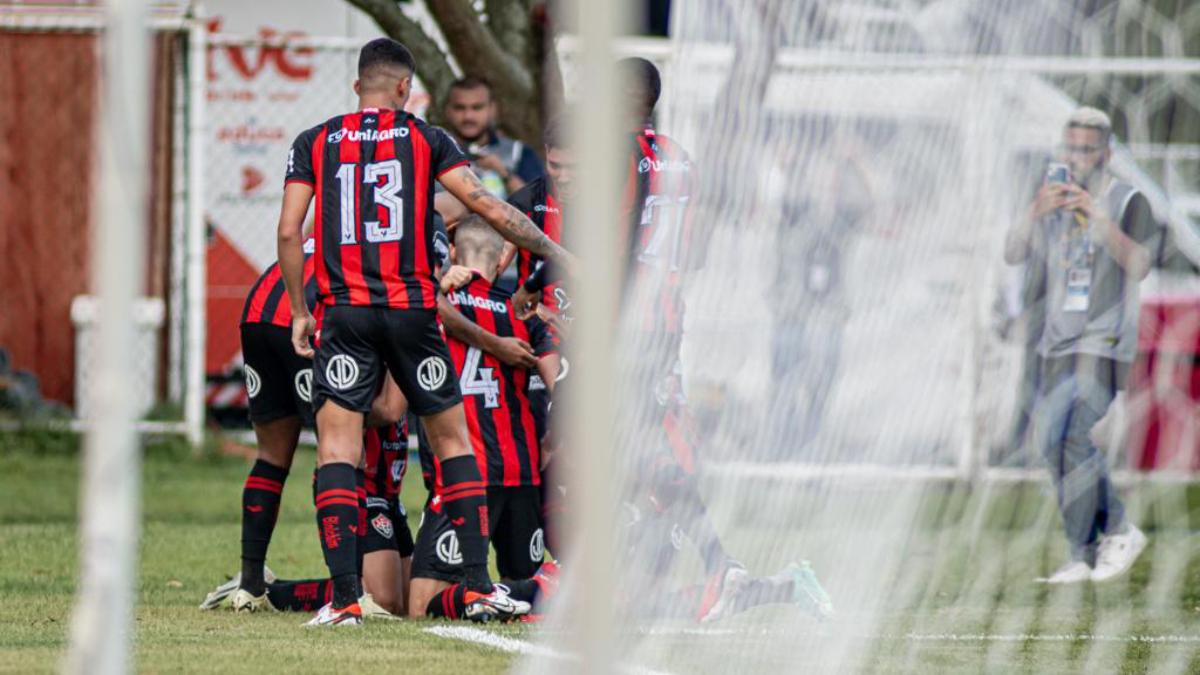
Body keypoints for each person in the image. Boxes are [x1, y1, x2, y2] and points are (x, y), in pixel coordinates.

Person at [276, 38, 574, 626]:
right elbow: (489, 207)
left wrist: (300, 310)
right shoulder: (426, 139)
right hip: (414, 310)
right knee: (453, 443)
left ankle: (343, 600)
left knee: (337, 449)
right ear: (407, 90)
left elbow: (290, 232)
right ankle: (479, 584)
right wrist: (560, 252)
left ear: (357, 86)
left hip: (346, 314)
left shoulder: (315, 140)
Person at [1004, 107, 1161, 584]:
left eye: (1087, 149)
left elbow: (1140, 266)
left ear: (1107, 154)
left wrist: (1099, 222)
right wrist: (1035, 212)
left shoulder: (1129, 199)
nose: (1077, 157)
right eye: (1071, 148)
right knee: (1052, 441)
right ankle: (1084, 552)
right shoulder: (1049, 199)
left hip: (1105, 345)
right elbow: (1011, 253)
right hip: (1058, 344)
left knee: (1069, 433)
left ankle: (1117, 528)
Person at [409, 217, 559, 620]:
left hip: (465, 472)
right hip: (522, 472)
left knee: (422, 607)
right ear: (503, 258)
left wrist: (438, 284)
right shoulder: (524, 314)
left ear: (454, 254)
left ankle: (485, 595)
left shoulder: (439, 302)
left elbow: (412, 307)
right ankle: (547, 587)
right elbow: (561, 387)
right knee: (525, 594)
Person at [227, 239, 321, 612]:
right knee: (340, 450)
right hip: (309, 311)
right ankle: (349, 590)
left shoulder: (334, 196)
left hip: (260, 305)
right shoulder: (422, 205)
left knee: (271, 456)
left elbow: (290, 234)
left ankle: (250, 585)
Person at [442, 76, 544, 200]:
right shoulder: (429, 152)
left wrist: (503, 173)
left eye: (477, 107)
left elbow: (539, 206)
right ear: (447, 110)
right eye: (459, 108)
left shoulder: (518, 153)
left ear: (492, 109)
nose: (468, 116)